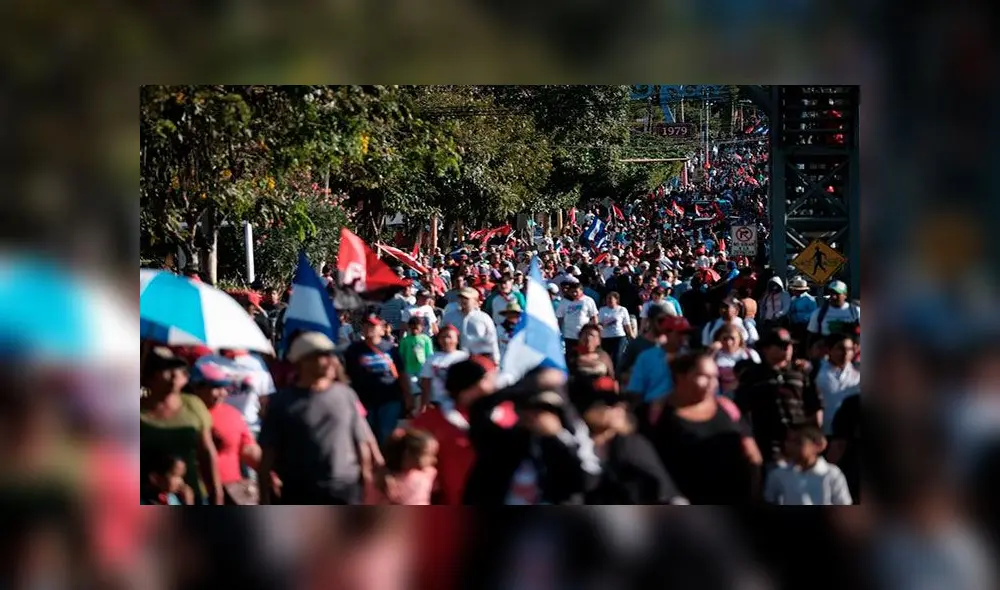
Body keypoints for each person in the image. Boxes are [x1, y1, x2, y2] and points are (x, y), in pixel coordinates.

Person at [259, 332, 373, 505]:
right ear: (301, 361)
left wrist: (367, 480)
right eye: (322, 356)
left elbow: (361, 441)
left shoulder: (346, 394)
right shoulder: (281, 403)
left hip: (346, 491)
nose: (330, 361)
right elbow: (268, 453)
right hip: (300, 493)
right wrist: (264, 495)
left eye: (331, 355)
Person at [639, 353, 763, 504]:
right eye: (703, 376)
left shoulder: (726, 407)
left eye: (715, 377)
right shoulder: (655, 412)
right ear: (681, 376)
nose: (712, 383)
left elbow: (752, 453)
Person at [464, 376, 599, 505]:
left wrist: (556, 435)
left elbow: (587, 480)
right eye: (531, 409)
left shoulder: (570, 442)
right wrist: (525, 385)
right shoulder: (503, 443)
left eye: (546, 410)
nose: (536, 416)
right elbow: (479, 411)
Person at [411, 358, 515, 505]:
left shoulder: (511, 414)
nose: (496, 383)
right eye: (490, 377)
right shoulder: (431, 421)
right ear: (470, 385)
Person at [572, 377, 687, 505]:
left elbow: (660, 485)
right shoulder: (580, 445)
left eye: (611, 405)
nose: (608, 409)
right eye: (601, 404)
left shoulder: (630, 444)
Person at [140, 347, 223, 505]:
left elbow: (206, 452)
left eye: (177, 370)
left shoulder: (193, 404)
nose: (173, 375)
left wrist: (216, 492)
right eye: (164, 369)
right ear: (148, 376)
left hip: (195, 493)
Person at [735, 328, 822, 466]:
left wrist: (816, 436)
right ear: (765, 349)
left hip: (799, 444)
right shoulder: (753, 376)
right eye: (781, 345)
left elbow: (814, 407)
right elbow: (742, 412)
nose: (788, 349)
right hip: (766, 445)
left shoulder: (800, 374)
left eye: (790, 345)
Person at [189, 356, 263, 504]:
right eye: (215, 387)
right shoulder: (185, 414)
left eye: (224, 387)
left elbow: (248, 450)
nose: (222, 393)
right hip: (197, 492)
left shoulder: (232, 414)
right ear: (197, 387)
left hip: (232, 492)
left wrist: (271, 473)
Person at [344, 317, 411, 441]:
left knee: (386, 433)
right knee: (366, 436)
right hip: (364, 400)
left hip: (389, 398)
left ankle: (386, 459)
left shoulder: (391, 349)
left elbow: (402, 373)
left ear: (382, 330)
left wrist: (408, 396)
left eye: (373, 326)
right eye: (366, 325)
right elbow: (346, 375)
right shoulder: (353, 350)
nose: (369, 329)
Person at [764, 423, 853, 505]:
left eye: (798, 442)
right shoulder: (777, 474)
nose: (790, 446)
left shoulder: (832, 474)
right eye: (788, 441)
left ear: (817, 446)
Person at [366, 429, 439, 505]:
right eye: (428, 454)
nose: (434, 460)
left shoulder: (429, 473)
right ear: (409, 454)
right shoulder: (381, 480)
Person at [814, 335, 860, 435]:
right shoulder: (816, 370)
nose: (845, 353)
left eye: (849, 349)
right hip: (825, 431)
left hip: (852, 433)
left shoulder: (859, 372)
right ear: (829, 350)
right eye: (840, 348)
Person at [618, 302, 672, 383]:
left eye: (668, 320)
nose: (664, 324)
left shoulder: (672, 343)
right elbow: (621, 373)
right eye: (661, 320)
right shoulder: (637, 345)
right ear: (650, 320)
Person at [418, 325, 469, 411]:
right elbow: (426, 383)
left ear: (457, 339)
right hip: (437, 403)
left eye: (449, 337)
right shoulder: (432, 358)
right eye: (442, 337)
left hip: (459, 403)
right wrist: (424, 404)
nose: (446, 340)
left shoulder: (465, 357)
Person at [711, 324, 761, 400]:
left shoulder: (750, 354)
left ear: (740, 339)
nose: (728, 342)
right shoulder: (715, 356)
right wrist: (711, 352)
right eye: (725, 338)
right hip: (722, 398)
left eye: (732, 338)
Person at [454, 287, 500, 363]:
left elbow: (492, 340)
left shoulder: (484, 318)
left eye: (466, 298)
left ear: (475, 301)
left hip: (478, 360)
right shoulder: (450, 316)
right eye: (461, 297)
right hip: (455, 360)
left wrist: (495, 361)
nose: (463, 300)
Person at [555, 277, 600, 353]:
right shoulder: (564, 302)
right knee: (571, 357)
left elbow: (594, 317)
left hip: (584, 335)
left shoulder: (588, 300)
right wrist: (559, 331)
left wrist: (596, 330)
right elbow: (560, 318)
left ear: (581, 291)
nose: (574, 294)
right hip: (569, 335)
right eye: (572, 292)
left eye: (576, 291)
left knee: (583, 355)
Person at [399, 316, 435, 400]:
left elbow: (429, 354)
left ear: (422, 327)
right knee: (414, 388)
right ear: (409, 327)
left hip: (422, 369)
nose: (414, 328)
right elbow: (401, 355)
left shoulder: (426, 339)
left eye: (417, 326)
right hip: (409, 370)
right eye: (412, 326)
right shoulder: (405, 340)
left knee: (424, 388)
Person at [597, 291, 634, 366]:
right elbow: (599, 323)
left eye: (611, 298)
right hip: (605, 337)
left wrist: (631, 336)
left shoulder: (622, 310)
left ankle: (617, 375)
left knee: (617, 358)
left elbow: (627, 325)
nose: (609, 300)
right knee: (606, 358)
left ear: (616, 300)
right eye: (607, 298)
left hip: (619, 337)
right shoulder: (602, 310)